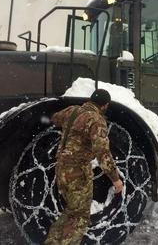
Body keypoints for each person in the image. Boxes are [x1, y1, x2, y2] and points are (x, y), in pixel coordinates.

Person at [45, 89, 123, 245]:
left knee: (71, 211)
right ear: (105, 105)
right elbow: (103, 154)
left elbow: (54, 118)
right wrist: (116, 179)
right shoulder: (96, 120)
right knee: (80, 217)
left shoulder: (72, 110)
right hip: (78, 172)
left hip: (61, 169)